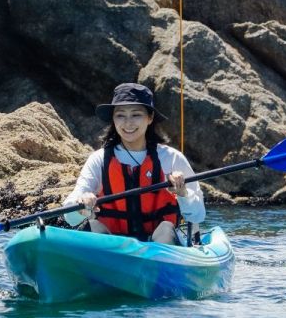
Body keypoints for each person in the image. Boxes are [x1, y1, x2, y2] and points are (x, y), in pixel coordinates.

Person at [63, 83, 204, 245]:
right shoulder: (99, 159)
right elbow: (70, 218)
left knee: (166, 228)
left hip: (161, 247)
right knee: (93, 226)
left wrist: (182, 193)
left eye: (136, 115)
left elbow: (198, 215)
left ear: (150, 118)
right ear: (113, 119)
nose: (128, 123)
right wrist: (81, 205)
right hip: (113, 247)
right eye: (120, 115)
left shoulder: (172, 158)